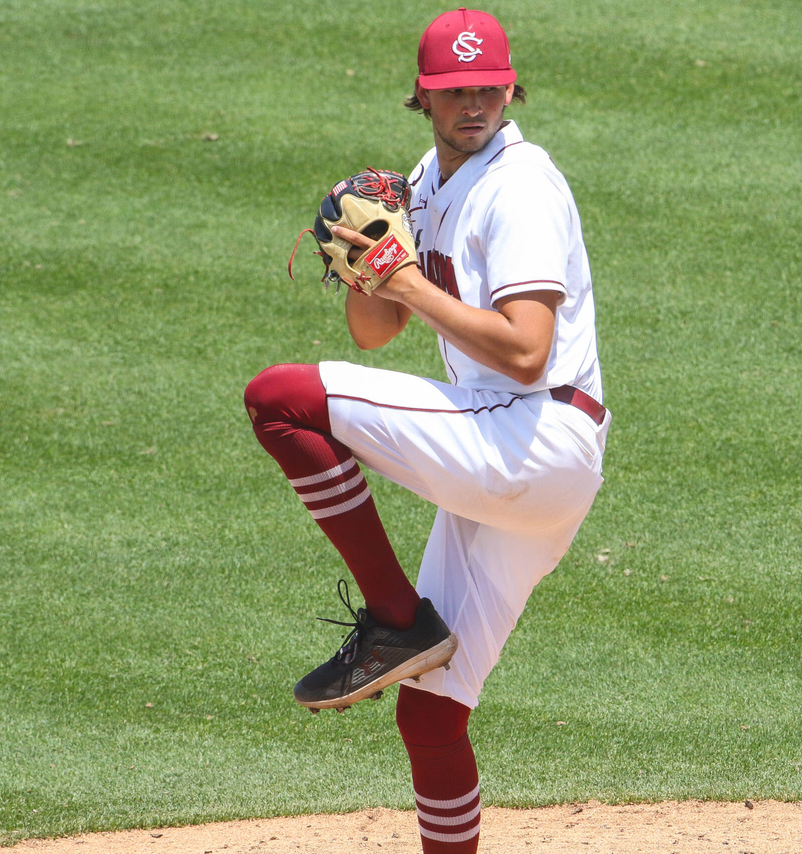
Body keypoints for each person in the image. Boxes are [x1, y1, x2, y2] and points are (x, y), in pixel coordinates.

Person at [242, 8, 608, 853]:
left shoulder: (521, 187)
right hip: (511, 463)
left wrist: (405, 283)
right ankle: (405, 633)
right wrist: (370, 276)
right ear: (423, 97)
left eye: (488, 87)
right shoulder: (429, 177)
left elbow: (525, 352)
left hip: (533, 434)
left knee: (278, 399)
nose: (473, 103)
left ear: (513, 88)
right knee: (432, 715)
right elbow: (373, 334)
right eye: (454, 90)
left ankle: (391, 615)